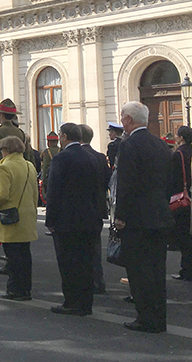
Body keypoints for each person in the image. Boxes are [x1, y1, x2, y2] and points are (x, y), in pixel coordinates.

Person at [114, 101, 172, 333]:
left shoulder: (129, 145)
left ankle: (146, 317)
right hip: (159, 215)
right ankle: (159, 316)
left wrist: (120, 216)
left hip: (138, 218)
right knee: (157, 270)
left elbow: (127, 184)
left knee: (139, 271)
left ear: (128, 119)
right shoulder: (160, 144)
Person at [45, 123, 103, 316]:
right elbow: (98, 190)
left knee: (68, 263)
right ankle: (86, 302)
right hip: (89, 217)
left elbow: (54, 191)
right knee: (86, 262)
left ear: (63, 136)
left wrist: (50, 220)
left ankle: (72, 301)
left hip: (66, 219)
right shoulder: (91, 157)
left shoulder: (61, 158)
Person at [0, 135, 38, 301]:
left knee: (13, 257)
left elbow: (1, 194)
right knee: (25, 255)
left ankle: (15, 289)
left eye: (1, 149)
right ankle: (25, 289)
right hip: (27, 216)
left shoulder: (5, 167)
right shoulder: (29, 166)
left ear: (6, 149)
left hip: (10, 217)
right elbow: (35, 193)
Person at [79, 123, 109, 295]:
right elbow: (107, 180)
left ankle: (87, 282)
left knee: (80, 249)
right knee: (95, 247)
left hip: (81, 209)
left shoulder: (76, 156)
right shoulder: (99, 157)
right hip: (97, 208)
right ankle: (98, 281)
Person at [171, 125, 192, 281]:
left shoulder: (179, 154)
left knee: (184, 236)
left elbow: (173, 179)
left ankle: (187, 270)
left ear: (181, 138)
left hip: (182, 199)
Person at [0, 99, 32, 193]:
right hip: (20, 176)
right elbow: (28, 156)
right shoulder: (21, 133)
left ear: (1, 115)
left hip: (4, 175)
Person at [40, 131, 60, 197]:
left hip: (49, 178)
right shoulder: (62, 150)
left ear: (49, 142)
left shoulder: (46, 152)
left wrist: (42, 180)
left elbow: (45, 167)